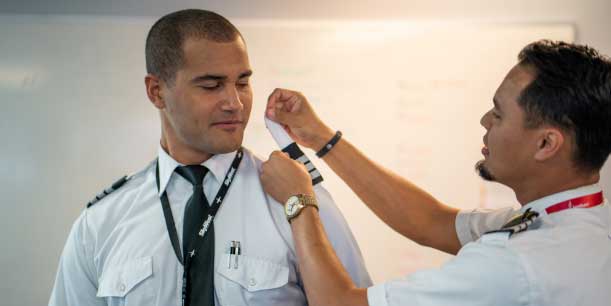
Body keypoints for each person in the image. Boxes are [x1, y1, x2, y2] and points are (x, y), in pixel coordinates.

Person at [48, 9, 372, 306]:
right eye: (211, 85)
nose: (235, 103)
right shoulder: (100, 224)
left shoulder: (300, 204)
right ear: (156, 92)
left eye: (242, 82)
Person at [260, 40, 611, 306]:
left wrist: (299, 203)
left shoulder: (519, 262)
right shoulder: (578, 224)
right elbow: (430, 222)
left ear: (546, 144)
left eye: (498, 114)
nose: (484, 122)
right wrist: (322, 138)